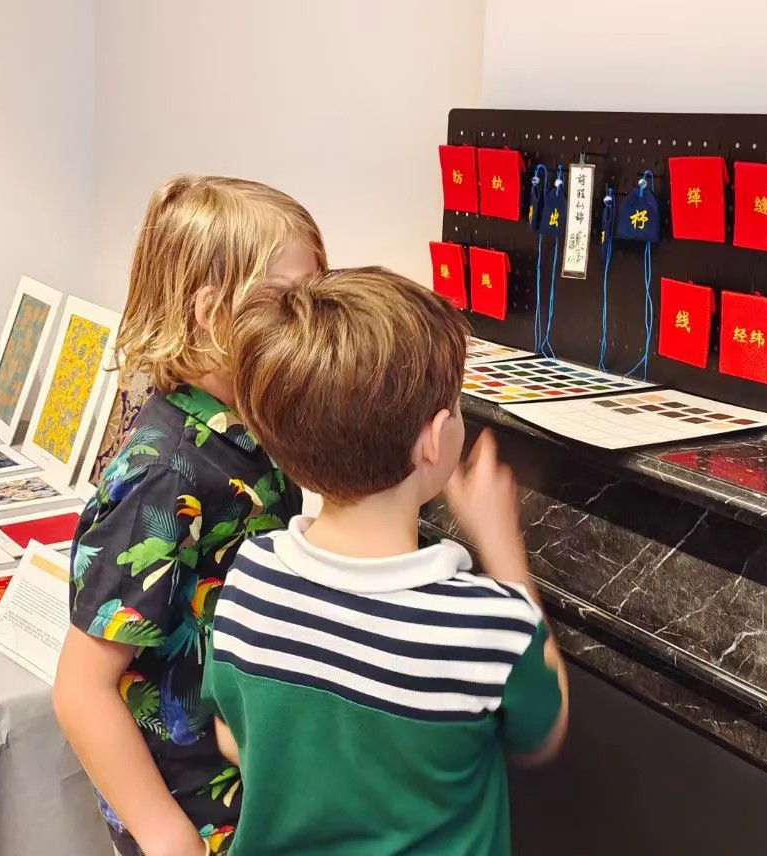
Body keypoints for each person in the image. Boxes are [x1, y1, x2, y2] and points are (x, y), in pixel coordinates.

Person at [202, 268, 569, 855]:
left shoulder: (251, 576)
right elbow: (544, 730)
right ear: (435, 438)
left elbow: (230, 735)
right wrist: (502, 550)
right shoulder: (488, 625)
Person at [53, 175, 327, 856]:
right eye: (290, 298)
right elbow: (82, 688)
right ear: (210, 313)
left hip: (253, 781)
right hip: (197, 813)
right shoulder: (165, 474)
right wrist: (163, 832)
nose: (314, 318)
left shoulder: (248, 431)